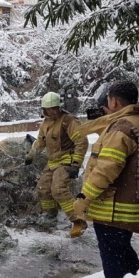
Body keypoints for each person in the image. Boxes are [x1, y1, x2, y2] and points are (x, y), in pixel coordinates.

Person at [74, 81, 139, 278]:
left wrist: (84, 197)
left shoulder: (120, 129)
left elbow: (106, 169)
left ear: (113, 101)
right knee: (124, 252)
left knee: (114, 262)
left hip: (113, 207)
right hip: (132, 203)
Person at [25, 92, 89, 237]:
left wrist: (75, 164)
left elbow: (81, 142)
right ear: (43, 110)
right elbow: (40, 142)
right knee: (43, 188)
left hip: (67, 160)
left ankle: (79, 221)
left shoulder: (69, 121)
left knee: (58, 189)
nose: (51, 112)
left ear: (59, 107)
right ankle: (50, 216)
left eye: (53, 108)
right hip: (53, 161)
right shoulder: (45, 123)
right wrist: (30, 155)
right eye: (47, 109)